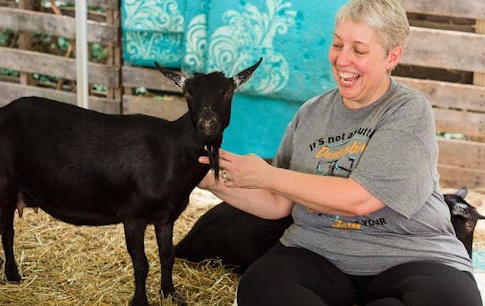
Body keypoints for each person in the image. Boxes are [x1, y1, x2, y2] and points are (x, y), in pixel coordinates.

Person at [197, 0, 483, 305]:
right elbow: (279, 202)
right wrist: (206, 179)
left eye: (359, 50)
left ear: (392, 56)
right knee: (260, 288)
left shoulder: (408, 109)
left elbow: (359, 200)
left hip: (413, 257)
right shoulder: (311, 113)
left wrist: (268, 175)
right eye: (337, 44)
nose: (342, 60)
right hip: (317, 253)